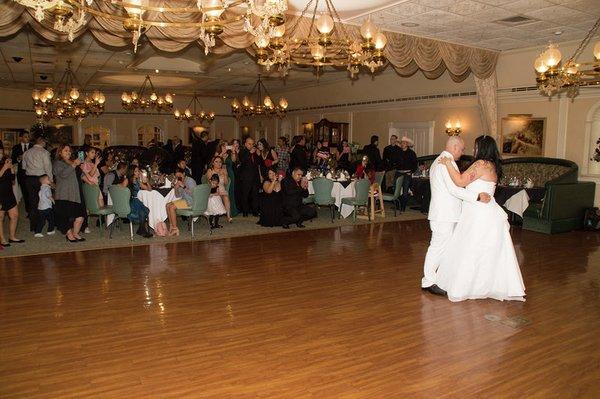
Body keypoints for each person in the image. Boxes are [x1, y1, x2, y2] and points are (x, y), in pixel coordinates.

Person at [435, 135, 525, 302]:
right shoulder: (492, 166)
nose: (473, 149)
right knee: (486, 251)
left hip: (477, 213)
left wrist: (448, 164)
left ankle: (467, 286)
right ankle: (485, 285)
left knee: (471, 248)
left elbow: (460, 181)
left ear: (482, 148)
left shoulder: (480, 164)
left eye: (476, 146)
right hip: (489, 212)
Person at [421, 136, 491, 296]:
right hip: (444, 214)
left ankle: (435, 279)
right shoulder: (446, 162)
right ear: (453, 147)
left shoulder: (443, 161)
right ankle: (428, 281)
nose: (463, 151)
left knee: (442, 247)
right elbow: (454, 189)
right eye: (461, 148)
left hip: (445, 213)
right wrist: (477, 197)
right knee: (437, 247)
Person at [53, 144, 86, 243]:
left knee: (80, 215)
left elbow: (81, 175)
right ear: (60, 152)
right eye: (66, 150)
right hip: (64, 194)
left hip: (75, 193)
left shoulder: (73, 162)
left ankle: (75, 233)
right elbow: (63, 174)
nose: (69, 152)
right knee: (64, 216)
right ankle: (69, 235)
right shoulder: (57, 163)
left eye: (69, 150)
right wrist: (74, 165)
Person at [22, 135, 52, 233]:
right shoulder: (44, 152)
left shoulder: (26, 152)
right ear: (42, 142)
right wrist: (50, 180)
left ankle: (34, 226)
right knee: (44, 201)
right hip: (41, 179)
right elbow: (48, 168)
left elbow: (24, 167)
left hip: (29, 179)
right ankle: (44, 224)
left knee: (33, 202)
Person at [119, 166, 153, 238]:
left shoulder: (137, 181)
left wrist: (147, 182)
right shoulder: (127, 180)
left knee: (144, 211)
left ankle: (141, 229)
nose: (138, 172)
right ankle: (142, 230)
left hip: (137, 200)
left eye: (138, 171)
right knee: (142, 211)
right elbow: (121, 192)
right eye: (136, 171)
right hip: (130, 201)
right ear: (132, 172)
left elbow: (149, 189)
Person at [166, 168, 197, 236]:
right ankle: (171, 226)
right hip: (185, 201)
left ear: (184, 174)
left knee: (172, 207)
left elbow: (194, 194)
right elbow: (177, 195)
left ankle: (175, 229)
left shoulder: (190, 180)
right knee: (167, 205)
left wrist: (183, 186)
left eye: (180, 176)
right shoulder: (180, 181)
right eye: (177, 177)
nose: (178, 178)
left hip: (192, 202)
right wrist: (176, 188)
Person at [0, 156, 24, 246]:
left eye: (1, 152)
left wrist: (11, 168)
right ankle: (2, 239)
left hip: (9, 193)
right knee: (0, 218)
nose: (0, 154)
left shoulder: (5, 163)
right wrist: (5, 168)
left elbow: (13, 181)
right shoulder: (4, 166)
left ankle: (12, 237)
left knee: (14, 215)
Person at [237, 136, 261, 217]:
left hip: (255, 177)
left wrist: (258, 155)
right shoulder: (242, 151)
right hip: (246, 177)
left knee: (255, 195)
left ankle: (255, 211)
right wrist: (250, 153)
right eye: (249, 144)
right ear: (245, 144)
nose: (251, 145)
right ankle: (245, 212)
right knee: (245, 195)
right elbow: (243, 161)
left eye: (252, 144)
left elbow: (258, 164)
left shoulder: (255, 152)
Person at [206, 156, 232, 222]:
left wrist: (225, 175)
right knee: (215, 196)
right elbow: (210, 183)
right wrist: (217, 175)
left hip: (222, 189)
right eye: (216, 162)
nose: (218, 163)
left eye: (220, 162)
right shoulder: (210, 171)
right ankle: (212, 217)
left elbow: (226, 183)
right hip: (213, 190)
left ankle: (228, 216)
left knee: (226, 197)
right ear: (213, 163)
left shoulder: (224, 170)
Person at [11, 131, 31, 215]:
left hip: (31, 173)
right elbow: (13, 160)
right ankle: (28, 210)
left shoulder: (33, 146)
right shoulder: (16, 147)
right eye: (25, 136)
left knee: (31, 192)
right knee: (25, 192)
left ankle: (32, 211)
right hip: (21, 174)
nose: (27, 138)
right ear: (21, 138)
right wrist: (19, 159)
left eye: (28, 136)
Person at [397, 136, 418, 212]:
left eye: (404, 143)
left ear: (407, 144)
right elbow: (395, 162)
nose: (402, 144)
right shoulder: (398, 152)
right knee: (397, 191)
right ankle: (398, 206)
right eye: (402, 142)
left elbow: (415, 164)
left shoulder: (412, 153)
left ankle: (403, 208)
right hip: (398, 173)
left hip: (407, 174)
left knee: (405, 191)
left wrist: (410, 172)